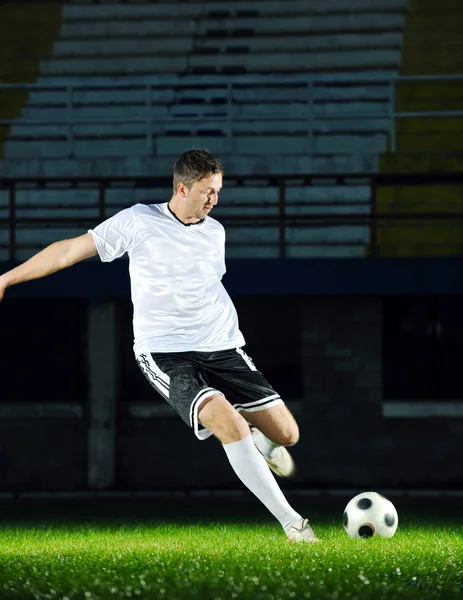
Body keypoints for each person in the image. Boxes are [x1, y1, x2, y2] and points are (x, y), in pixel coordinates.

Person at [0, 149, 318, 543]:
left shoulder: (214, 232)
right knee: (229, 425)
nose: (214, 200)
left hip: (223, 347)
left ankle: (257, 437)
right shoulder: (139, 220)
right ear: (182, 188)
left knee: (288, 435)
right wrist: (5, 280)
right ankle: (295, 526)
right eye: (207, 192)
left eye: (217, 191)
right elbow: (68, 251)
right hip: (166, 352)